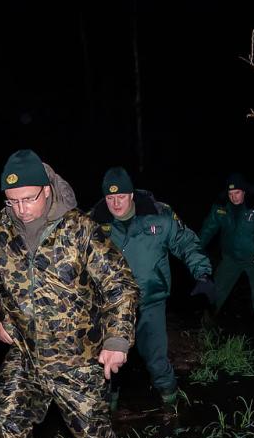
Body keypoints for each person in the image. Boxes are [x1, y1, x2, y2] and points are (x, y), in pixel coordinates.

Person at [0, 150, 140, 438]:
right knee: (3, 421)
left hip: (78, 358)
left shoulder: (80, 229)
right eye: (12, 201)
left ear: (47, 190)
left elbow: (120, 284)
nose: (21, 209)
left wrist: (117, 340)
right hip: (26, 354)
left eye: (29, 199)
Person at [91, 167, 212, 419]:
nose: (115, 203)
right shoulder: (93, 222)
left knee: (156, 358)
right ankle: (108, 414)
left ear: (131, 195)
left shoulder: (159, 215)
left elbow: (185, 242)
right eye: (110, 198)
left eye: (121, 197)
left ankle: (172, 405)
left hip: (150, 301)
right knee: (108, 363)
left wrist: (202, 273)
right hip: (111, 306)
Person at [194, 172, 254, 329]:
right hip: (230, 257)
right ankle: (210, 316)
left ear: (244, 191)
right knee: (218, 287)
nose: (234, 197)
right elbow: (208, 229)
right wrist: (196, 248)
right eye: (230, 193)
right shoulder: (221, 206)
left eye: (237, 192)